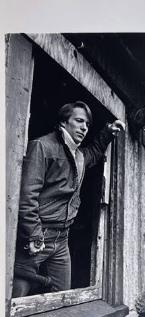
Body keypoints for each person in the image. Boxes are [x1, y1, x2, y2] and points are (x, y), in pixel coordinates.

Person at [12, 101, 125, 298]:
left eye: (87, 124)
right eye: (79, 121)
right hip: (38, 236)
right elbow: (26, 197)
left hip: (62, 239)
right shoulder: (42, 146)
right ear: (64, 122)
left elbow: (95, 152)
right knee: (16, 299)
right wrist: (34, 235)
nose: (84, 127)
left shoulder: (79, 155)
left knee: (62, 297)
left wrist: (108, 132)